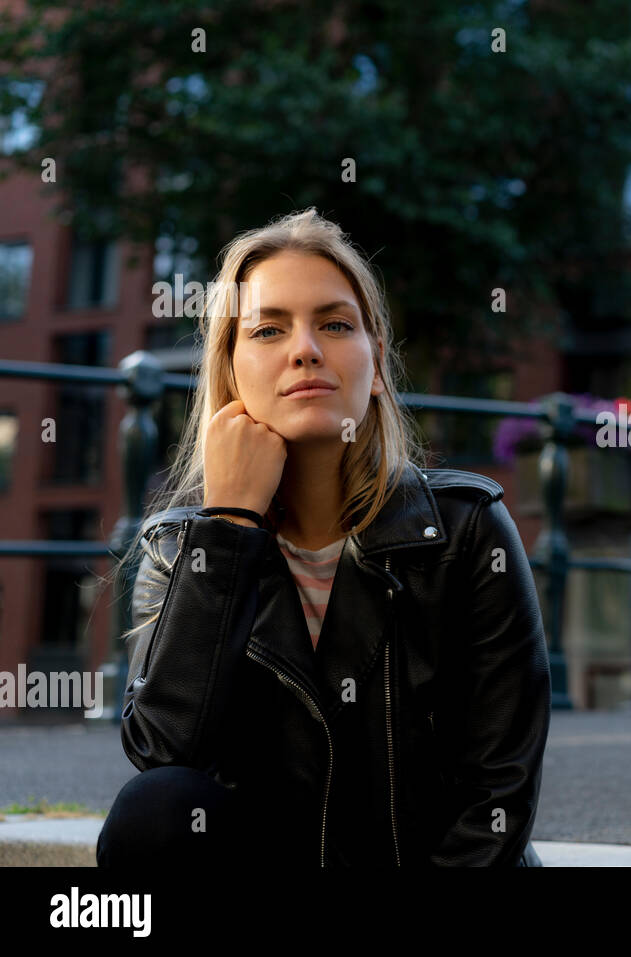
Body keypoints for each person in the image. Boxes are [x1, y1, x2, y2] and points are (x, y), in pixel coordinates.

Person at [99, 209, 550, 868]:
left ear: (375, 360)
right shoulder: (179, 548)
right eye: (269, 328)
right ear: (230, 366)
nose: (305, 348)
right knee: (156, 810)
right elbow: (164, 754)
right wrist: (228, 528)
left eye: (336, 324)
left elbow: (498, 793)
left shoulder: (466, 529)